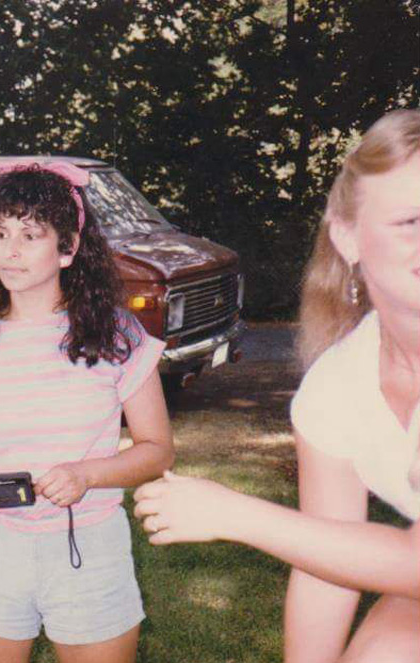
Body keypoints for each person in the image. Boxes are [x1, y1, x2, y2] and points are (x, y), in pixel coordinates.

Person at [133, 108, 420, 663]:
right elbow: (327, 565)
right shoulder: (339, 385)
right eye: (412, 222)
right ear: (348, 237)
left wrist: (236, 515)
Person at [0, 162, 174, 663]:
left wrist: (86, 474)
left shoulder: (116, 337)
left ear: (67, 249)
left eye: (30, 234)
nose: (10, 250)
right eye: (0, 234)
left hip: (90, 547)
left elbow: (157, 451)